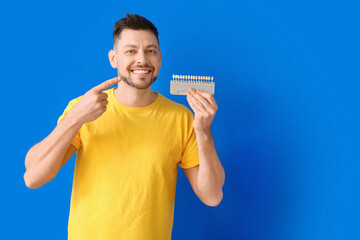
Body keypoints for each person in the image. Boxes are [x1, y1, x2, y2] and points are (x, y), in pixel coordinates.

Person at [24, 13, 225, 240]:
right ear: (113, 58)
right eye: (131, 51)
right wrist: (75, 118)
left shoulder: (181, 118)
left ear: (159, 58)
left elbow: (212, 196)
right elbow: (33, 177)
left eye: (150, 51)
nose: (142, 60)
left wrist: (204, 132)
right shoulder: (84, 109)